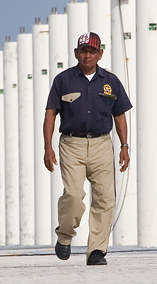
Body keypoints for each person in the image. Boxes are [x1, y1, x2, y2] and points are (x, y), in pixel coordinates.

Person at [43, 32, 132, 266]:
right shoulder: (63, 80)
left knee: (105, 198)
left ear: (100, 54)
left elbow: (120, 114)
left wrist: (124, 146)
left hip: (102, 143)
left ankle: (97, 251)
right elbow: (50, 113)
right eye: (83, 51)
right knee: (73, 194)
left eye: (92, 51)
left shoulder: (111, 81)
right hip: (72, 144)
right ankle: (64, 236)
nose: (87, 55)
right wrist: (47, 147)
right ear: (76, 53)